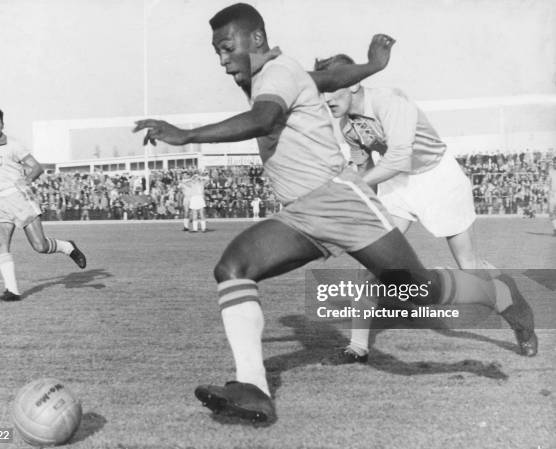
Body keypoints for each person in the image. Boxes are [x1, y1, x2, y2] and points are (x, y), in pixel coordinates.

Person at [132, 3, 536, 424]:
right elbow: (327, 79)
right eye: (216, 52)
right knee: (233, 267)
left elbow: (262, 118)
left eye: (226, 48)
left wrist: (187, 135)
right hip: (302, 214)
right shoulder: (279, 72)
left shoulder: (276, 74)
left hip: (341, 203)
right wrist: (370, 65)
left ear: (255, 40)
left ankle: (500, 295)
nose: (222, 60)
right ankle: (253, 389)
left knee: (417, 293)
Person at [314, 54, 484, 364]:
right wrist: (361, 207)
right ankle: (358, 346)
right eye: (320, 90)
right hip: (399, 184)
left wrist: (349, 187)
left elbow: (397, 159)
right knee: (372, 262)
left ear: (353, 84)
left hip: (438, 176)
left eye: (330, 88)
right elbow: (365, 167)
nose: (325, 98)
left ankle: (511, 305)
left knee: (468, 266)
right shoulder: (349, 126)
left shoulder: (388, 101)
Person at [0, 106, 86, 302]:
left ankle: (67, 247)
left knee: (40, 246)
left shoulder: (14, 146)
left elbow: (36, 167)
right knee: (0, 244)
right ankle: (12, 291)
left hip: (20, 199)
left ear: (2, 124)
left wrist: (26, 180)